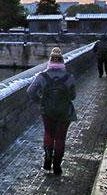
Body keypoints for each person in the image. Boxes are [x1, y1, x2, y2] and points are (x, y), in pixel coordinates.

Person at [27, 47, 76, 175]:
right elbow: (73, 96)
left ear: (50, 62)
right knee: (60, 138)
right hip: (64, 112)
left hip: (47, 111)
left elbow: (30, 91)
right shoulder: (69, 77)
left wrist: (40, 101)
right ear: (62, 62)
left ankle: (48, 158)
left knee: (49, 133)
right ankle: (57, 166)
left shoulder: (42, 76)